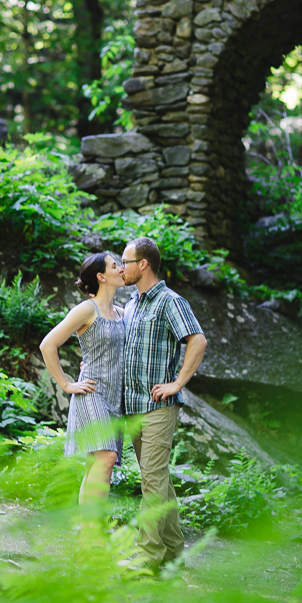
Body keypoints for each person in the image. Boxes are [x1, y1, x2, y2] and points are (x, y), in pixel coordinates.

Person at [120, 237, 207, 569]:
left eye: (126, 261)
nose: (122, 267)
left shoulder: (170, 301)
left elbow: (197, 340)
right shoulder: (133, 304)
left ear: (143, 264)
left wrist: (178, 382)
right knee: (158, 479)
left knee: (152, 481)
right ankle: (173, 553)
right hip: (134, 406)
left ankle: (148, 557)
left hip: (158, 407)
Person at [39, 253, 125, 505]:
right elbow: (48, 345)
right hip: (91, 392)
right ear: (101, 277)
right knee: (107, 458)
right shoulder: (88, 308)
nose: (120, 269)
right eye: (113, 266)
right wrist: (67, 384)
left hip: (114, 398)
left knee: (95, 464)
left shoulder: (122, 312)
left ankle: (86, 535)